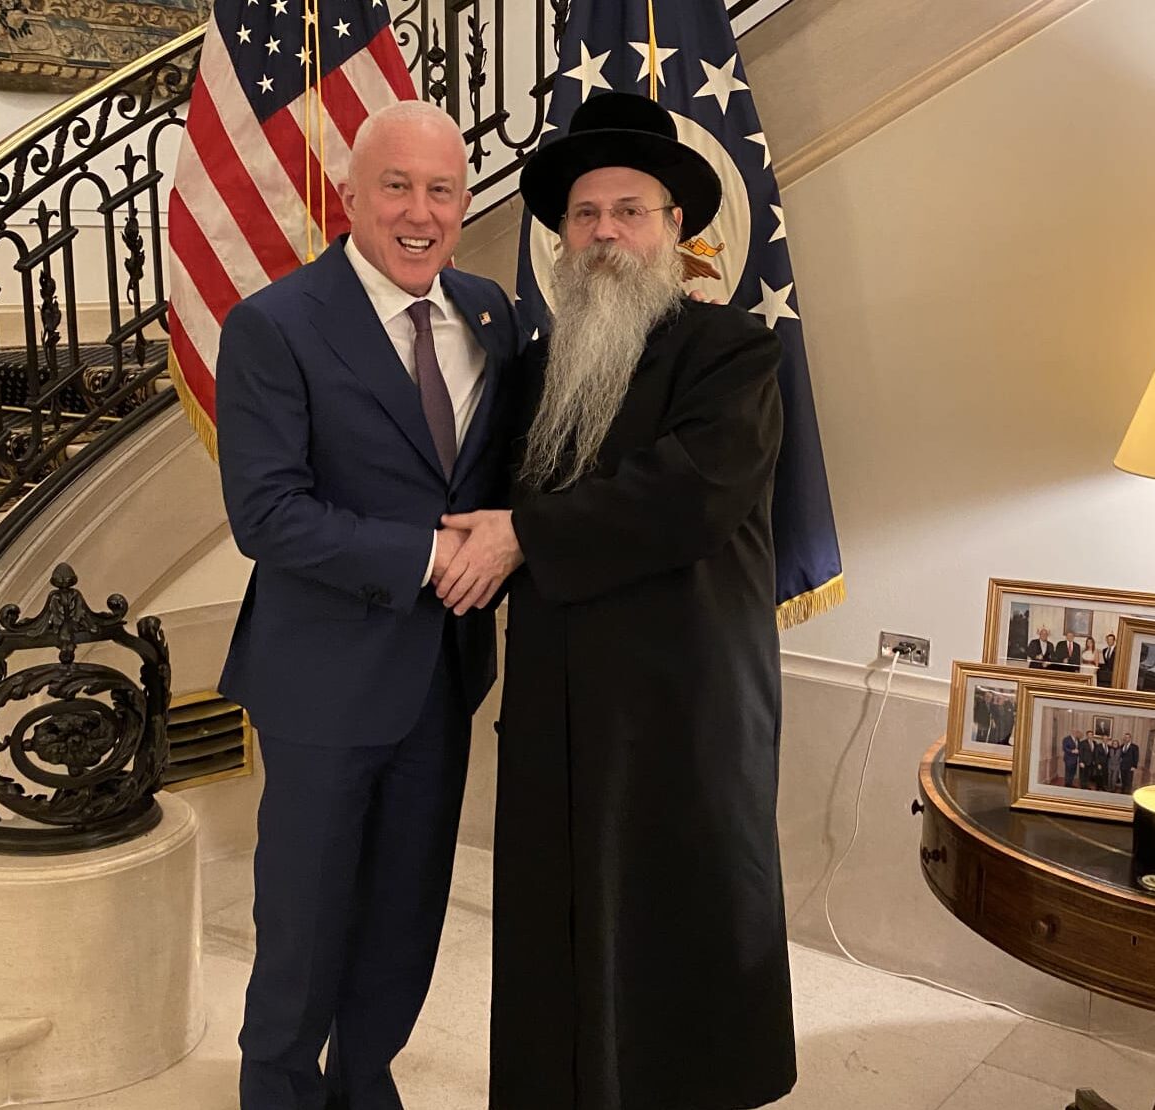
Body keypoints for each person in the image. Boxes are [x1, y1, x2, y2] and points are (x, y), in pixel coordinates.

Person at [439, 92, 796, 1110]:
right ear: (561, 237)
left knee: (682, 918)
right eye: (585, 215)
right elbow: (486, 490)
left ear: (674, 229)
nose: (605, 233)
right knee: (564, 920)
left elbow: (691, 492)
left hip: (685, 701)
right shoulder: (540, 365)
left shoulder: (731, 350)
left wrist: (524, 535)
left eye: (629, 211)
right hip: (560, 701)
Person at [213, 101, 522, 1109]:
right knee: (304, 921)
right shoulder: (276, 325)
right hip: (321, 680)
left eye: (442, 190)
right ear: (349, 196)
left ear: (464, 203)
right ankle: (278, 1090)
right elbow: (267, 515)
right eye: (397, 186)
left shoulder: (491, 313)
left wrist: (516, 529)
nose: (420, 212)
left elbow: (511, 469)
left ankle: (365, 1081)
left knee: (404, 914)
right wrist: (430, 556)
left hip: (442, 677)